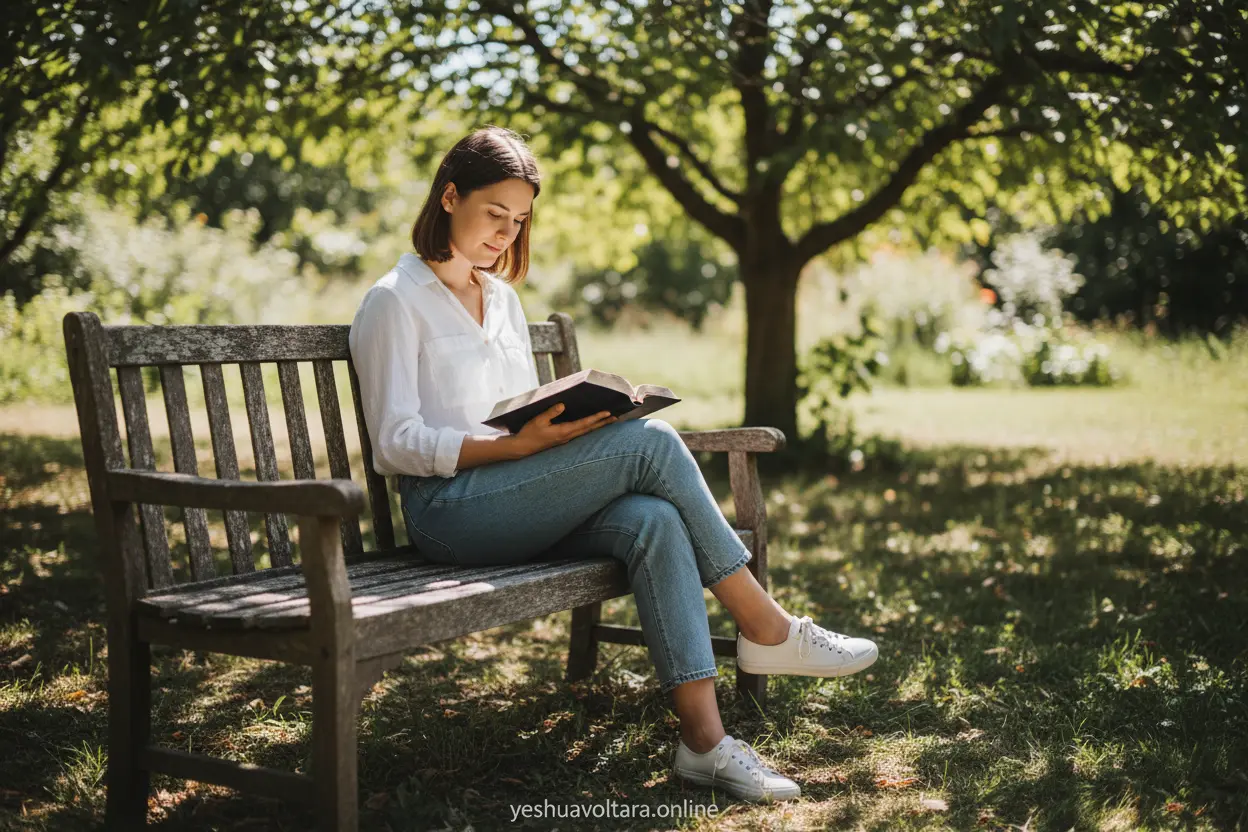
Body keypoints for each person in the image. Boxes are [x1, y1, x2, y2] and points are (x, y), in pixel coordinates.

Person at [349, 126, 878, 802]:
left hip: (520, 493)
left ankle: (704, 745)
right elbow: (394, 441)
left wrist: (567, 425)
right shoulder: (394, 300)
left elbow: (513, 408)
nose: (505, 233)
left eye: (519, 220)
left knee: (653, 520)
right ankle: (767, 627)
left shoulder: (503, 300)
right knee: (653, 444)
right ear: (449, 197)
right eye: (493, 214)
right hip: (450, 512)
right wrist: (518, 447)